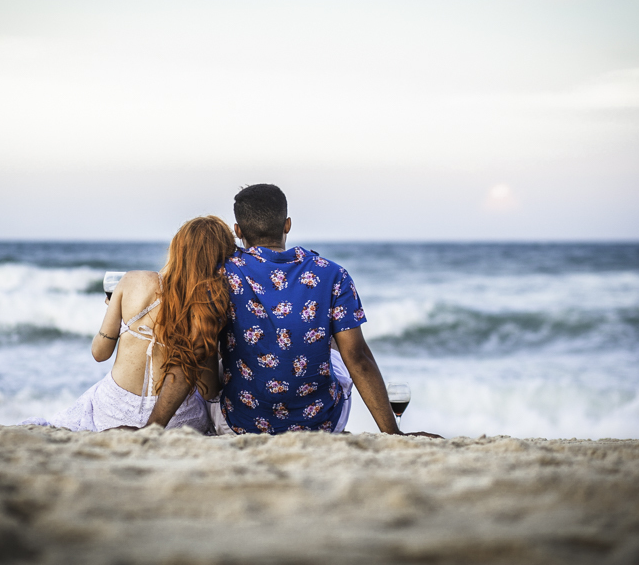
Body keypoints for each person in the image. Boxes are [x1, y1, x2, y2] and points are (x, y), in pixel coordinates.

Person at [148, 184, 440, 438]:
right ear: (287, 224)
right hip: (322, 424)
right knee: (339, 350)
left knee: (216, 350)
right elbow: (359, 359)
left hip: (241, 424)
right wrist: (393, 433)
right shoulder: (332, 274)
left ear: (238, 231)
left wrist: (152, 429)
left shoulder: (221, 276)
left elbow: (196, 352)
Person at [21, 216, 236, 432]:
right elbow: (209, 391)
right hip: (177, 417)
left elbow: (99, 353)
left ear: (177, 249)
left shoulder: (133, 281)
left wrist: (116, 314)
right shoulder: (209, 306)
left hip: (114, 411)